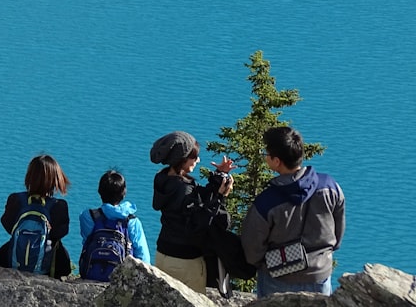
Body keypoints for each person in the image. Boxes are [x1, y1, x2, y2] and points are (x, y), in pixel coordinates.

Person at [241, 126, 345, 297]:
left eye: (267, 154)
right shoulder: (330, 186)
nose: (265, 156)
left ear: (276, 161)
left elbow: (252, 251)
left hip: (277, 278)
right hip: (319, 275)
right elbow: (338, 233)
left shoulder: (266, 202)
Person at [150, 131, 234, 293]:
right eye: (194, 157)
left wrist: (218, 177)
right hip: (185, 260)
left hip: (163, 255)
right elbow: (200, 223)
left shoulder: (163, 180)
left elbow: (196, 200)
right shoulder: (184, 189)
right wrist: (220, 197)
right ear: (182, 160)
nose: (198, 160)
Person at [0, 154, 72, 278]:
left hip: (14, 258)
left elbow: (7, 225)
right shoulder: (59, 205)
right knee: (65, 267)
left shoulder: (15, 199)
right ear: (56, 179)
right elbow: (61, 232)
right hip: (46, 259)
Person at [78, 170, 151, 273]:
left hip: (91, 272)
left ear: (99, 191)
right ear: (123, 194)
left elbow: (86, 241)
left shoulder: (88, 216)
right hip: (122, 278)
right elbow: (143, 256)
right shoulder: (132, 222)